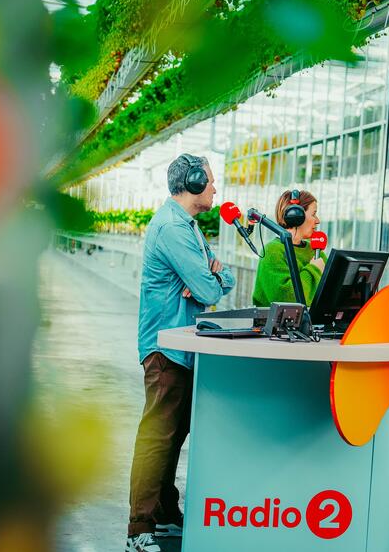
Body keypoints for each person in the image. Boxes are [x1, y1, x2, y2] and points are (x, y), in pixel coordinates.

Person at [126, 154, 235, 552]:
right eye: (209, 181)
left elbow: (221, 277)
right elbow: (207, 290)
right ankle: (138, 530)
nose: (214, 189)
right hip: (165, 347)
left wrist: (214, 276)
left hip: (182, 346)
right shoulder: (173, 228)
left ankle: (164, 514)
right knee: (157, 436)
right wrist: (211, 278)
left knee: (173, 434)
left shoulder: (188, 226)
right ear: (190, 182)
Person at [251, 189, 326, 306]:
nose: (317, 221)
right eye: (314, 214)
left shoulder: (315, 250)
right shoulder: (273, 251)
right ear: (297, 215)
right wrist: (314, 270)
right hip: (275, 323)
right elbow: (287, 299)